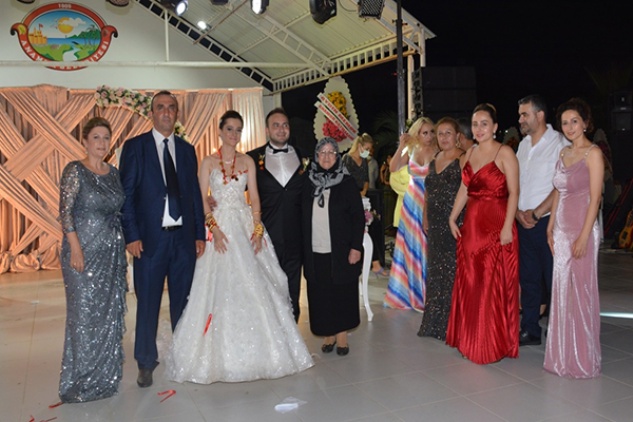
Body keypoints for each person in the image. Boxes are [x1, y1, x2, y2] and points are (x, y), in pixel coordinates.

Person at [166, 110, 313, 383]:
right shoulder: (207, 162)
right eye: (229, 129)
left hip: (244, 225)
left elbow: (255, 198)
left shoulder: (248, 161)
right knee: (218, 286)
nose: (233, 134)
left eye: (238, 130)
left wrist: (257, 229)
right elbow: (201, 199)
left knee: (256, 284)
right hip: (219, 228)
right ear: (220, 131)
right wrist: (214, 229)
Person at [119, 91, 206, 388]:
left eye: (171, 108)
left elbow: (193, 195)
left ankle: (183, 356)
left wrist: (199, 234)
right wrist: (131, 236)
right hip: (149, 242)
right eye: (160, 108)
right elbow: (126, 196)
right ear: (152, 113)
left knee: (183, 302)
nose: (166, 112)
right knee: (148, 304)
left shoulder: (187, 150)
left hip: (183, 241)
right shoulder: (135, 147)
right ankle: (145, 362)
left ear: (177, 113)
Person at [58, 117, 127, 402]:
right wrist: (75, 248)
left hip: (110, 255)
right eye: (96, 137)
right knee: (83, 316)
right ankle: (80, 381)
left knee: (107, 315)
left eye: (106, 138)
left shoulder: (114, 173)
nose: (101, 143)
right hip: (82, 253)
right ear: (85, 141)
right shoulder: (75, 170)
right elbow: (65, 213)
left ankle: (104, 378)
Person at [446, 103, 520, 364]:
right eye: (475, 124)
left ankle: (488, 345)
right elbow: (465, 189)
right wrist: (453, 216)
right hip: (472, 226)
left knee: (490, 285)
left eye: (484, 124)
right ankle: (470, 340)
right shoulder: (469, 153)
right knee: (471, 283)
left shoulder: (505, 152)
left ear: (495, 127)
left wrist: (507, 227)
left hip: (496, 223)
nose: (479, 129)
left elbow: (514, 193)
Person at [544, 98, 603, 378]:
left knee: (581, 292)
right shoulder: (563, 153)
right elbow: (559, 192)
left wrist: (583, 236)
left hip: (583, 228)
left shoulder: (593, 153)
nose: (569, 127)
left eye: (574, 121)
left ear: (585, 123)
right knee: (562, 292)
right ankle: (562, 357)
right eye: (565, 123)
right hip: (561, 230)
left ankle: (583, 360)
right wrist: (550, 226)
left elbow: (596, 199)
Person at [302, 137, 365, 356]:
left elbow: (358, 217)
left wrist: (356, 247)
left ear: (337, 157)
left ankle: (341, 336)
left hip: (341, 249)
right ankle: (328, 334)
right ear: (316, 156)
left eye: (331, 152)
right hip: (315, 249)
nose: (327, 157)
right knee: (322, 294)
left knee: (342, 292)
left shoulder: (346, 182)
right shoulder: (307, 182)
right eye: (323, 152)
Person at [247, 108, 308, 322]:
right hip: (266, 236)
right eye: (276, 125)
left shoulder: (304, 156)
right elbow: (235, 188)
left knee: (293, 288)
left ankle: (293, 329)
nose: (281, 130)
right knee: (268, 289)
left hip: (296, 235)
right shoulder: (252, 158)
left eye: (285, 125)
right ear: (267, 130)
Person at [515, 95, 566, 346]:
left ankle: (559, 333)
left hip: (548, 223)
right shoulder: (523, 145)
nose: (520, 119)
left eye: (525, 114)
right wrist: (517, 212)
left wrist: (536, 213)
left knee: (554, 279)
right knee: (529, 278)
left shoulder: (559, 143)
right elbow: (515, 183)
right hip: (523, 223)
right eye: (520, 115)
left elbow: (562, 186)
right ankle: (530, 329)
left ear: (540, 115)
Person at [417, 117, 465, 340]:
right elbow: (428, 191)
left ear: (457, 136)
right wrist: (425, 215)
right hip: (435, 224)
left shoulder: (463, 158)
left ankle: (452, 326)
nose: (444, 137)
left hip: (456, 223)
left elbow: (470, 190)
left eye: (448, 133)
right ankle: (434, 323)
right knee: (436, 272)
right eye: (440, 133)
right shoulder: (435, 158)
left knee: (453, 272)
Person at [383, 117, 436, 311]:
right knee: (411, 247)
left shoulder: (438, 151)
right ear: (417, 134)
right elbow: (393, 168)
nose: (429, 136)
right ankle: (411, 294)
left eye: (431, 132)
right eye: (424, 132)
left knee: (427, 247)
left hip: (429, 201)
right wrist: (401, 146)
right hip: (412, 203)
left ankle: (427, 294)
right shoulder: (410, 149)